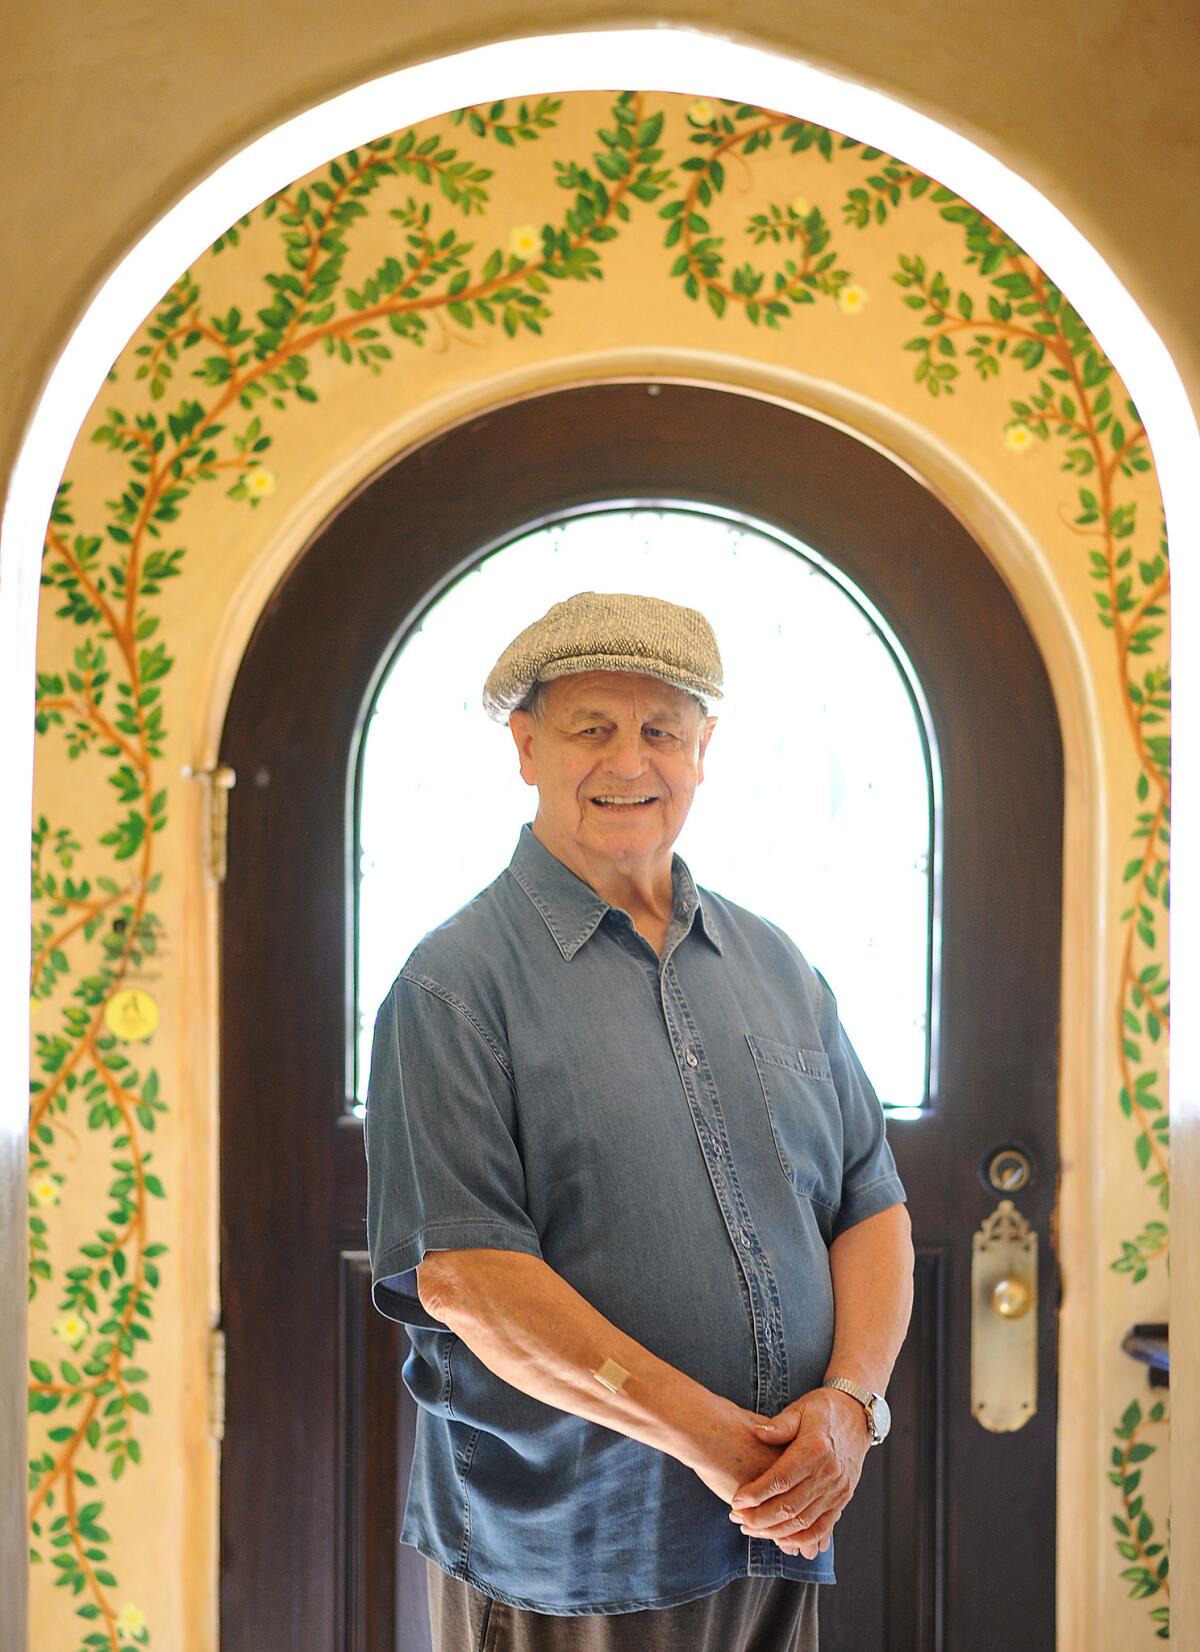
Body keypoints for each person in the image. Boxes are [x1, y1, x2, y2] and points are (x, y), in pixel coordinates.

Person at [364, 590, 915, 1652]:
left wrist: (850, 1404)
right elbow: (468, 1278)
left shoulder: (781, 967)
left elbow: (870, 1200)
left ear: (705, 749)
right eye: (591, 728)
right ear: (525, 745)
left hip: (778, 1533)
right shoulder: (451, 986)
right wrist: (720, 1440)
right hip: (565, 1556)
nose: (631, 761)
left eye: (662, 728)